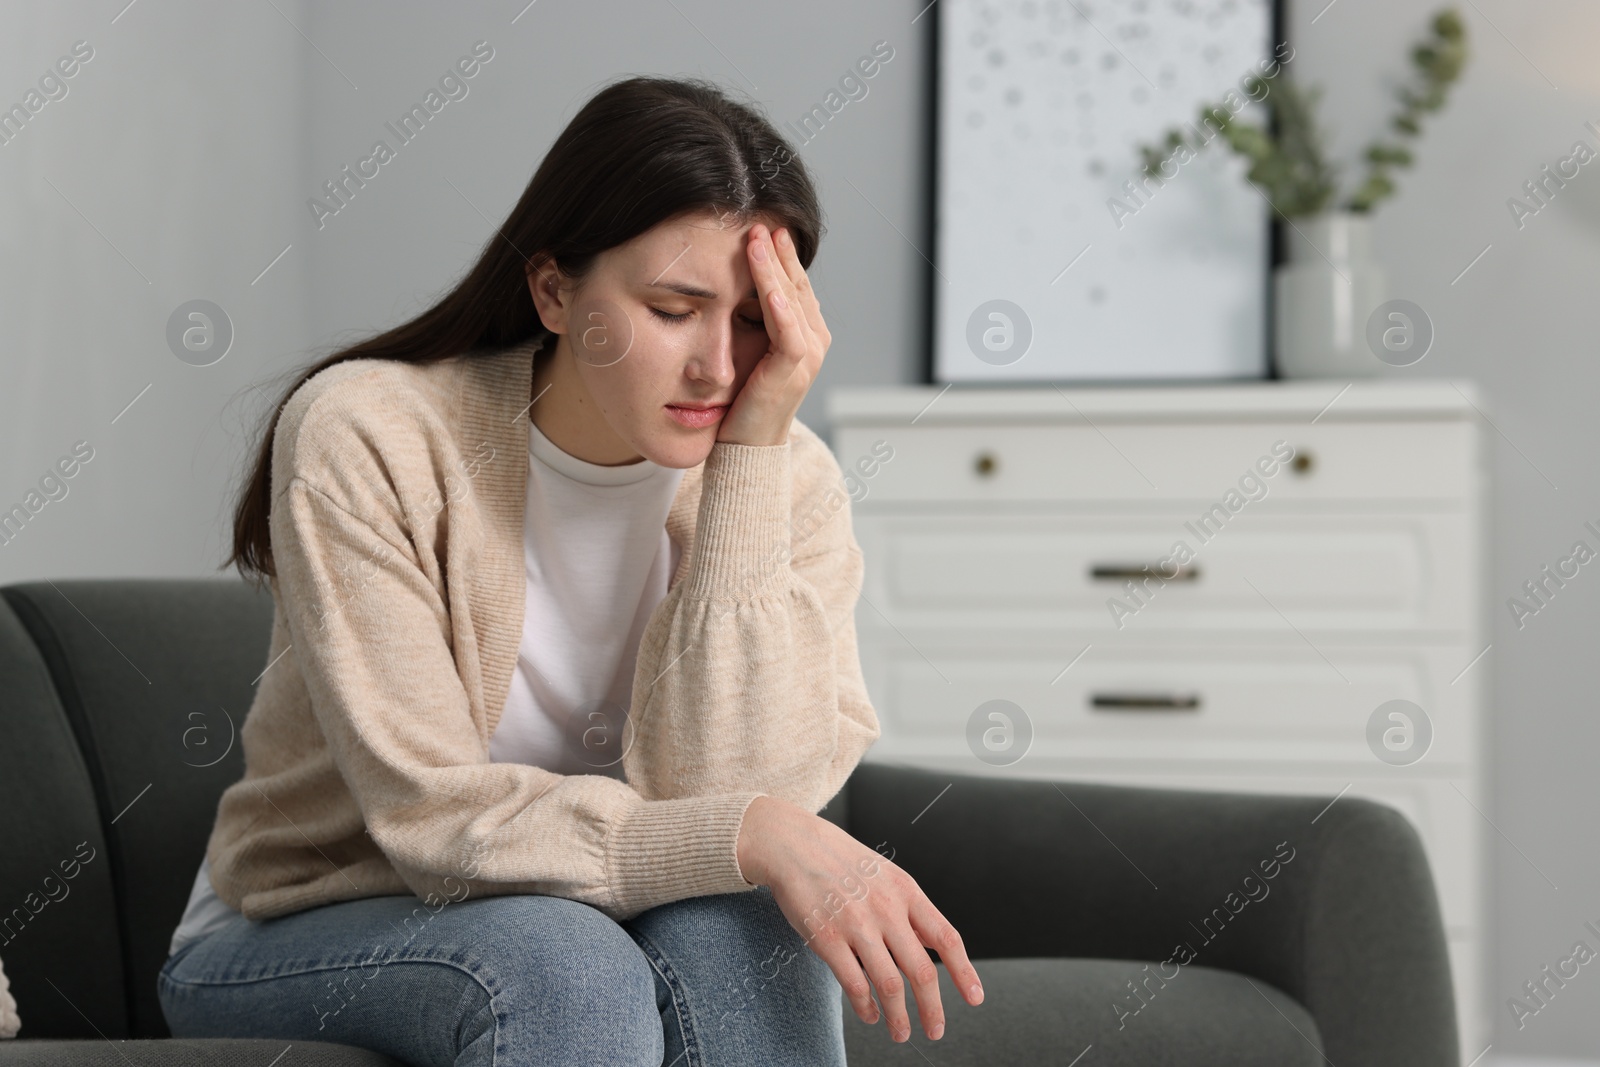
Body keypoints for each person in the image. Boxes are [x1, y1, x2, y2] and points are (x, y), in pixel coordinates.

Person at [156, 74, 984, 1066]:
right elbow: (429, 817)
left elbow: (719, 800)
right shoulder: (374, 432)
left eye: (758, 317)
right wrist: (754, 830)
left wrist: (750, 461)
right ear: (554, 290)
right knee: (564, 958)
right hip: (307, 923)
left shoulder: (790, 481)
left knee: (751, 938)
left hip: (602, 919)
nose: (720, 367)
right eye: (675, 308)